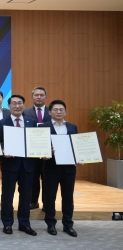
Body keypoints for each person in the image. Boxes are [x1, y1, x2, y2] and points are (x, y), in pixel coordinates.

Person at [0, 94, 38, 236]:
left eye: (20, 103)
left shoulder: (31, 122)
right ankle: (7, 224)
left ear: (24, 105)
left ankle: (24, 224)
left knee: (26, 195)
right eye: (14, 103)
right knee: (7, 195)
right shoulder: (2, 123)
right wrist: (3, 150)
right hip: (10, 164)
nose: (17, 106)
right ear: (9, 106)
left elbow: (35, 141)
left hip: (28, 164)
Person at [42, 99, 79, 237]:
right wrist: (45, 152)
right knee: (49, 197)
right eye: (55, 110)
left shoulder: (72, 127)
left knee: (68, 197)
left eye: (61, 110)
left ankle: (68, 224)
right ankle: (50, 223)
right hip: (50, 167)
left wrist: (79, 157)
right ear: (50, 112)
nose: (58, 112)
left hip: (69, 168)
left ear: (65, 112)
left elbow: (76, 146)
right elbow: (39, 146)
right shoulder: (43, 127)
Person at [23, 86, 51, 210]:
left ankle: (46, 203)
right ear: (32, 97)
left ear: (46, 97)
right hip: (32, 151)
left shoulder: (52, 111)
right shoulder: (25, 112)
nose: (39, 97)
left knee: (47, 178)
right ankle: (33, 201)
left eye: (41, 95)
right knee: (33, 178)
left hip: (47, 151)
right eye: (36, 95)